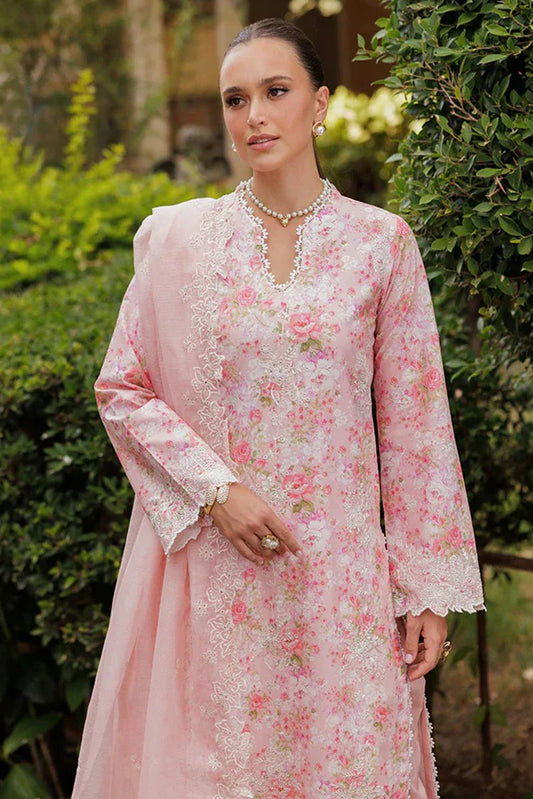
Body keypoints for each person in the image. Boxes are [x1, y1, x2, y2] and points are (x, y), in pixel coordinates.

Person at [71, 17, 486, 799]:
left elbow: (416, 427)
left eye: (274, 91)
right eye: (236, 99)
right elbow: (122, 387)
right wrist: (216, 490)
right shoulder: (182, 241)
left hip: (342, 582)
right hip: (224, 576)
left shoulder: (381, 244)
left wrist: (425, 589)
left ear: (319, 103)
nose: (253, 115)